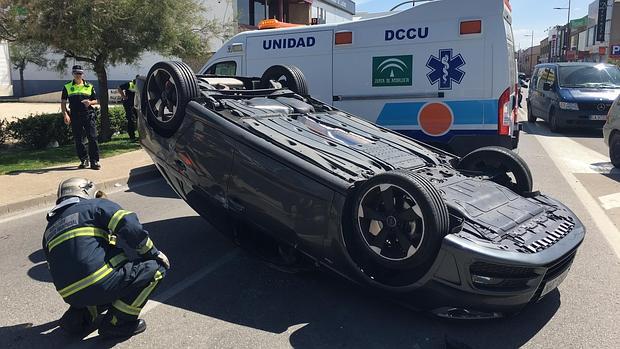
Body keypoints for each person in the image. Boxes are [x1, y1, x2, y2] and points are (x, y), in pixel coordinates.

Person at [43, 177, 170, 338]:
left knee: (94, 283)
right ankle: (116, 323)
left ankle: (77, 318)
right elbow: (129, 224)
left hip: (69, 294)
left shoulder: (49, 230)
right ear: (86, 190)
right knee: (156, 269)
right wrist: (152, 253)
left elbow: (53, 265)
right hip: (100, 283)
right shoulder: (94, 206)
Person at [61, 65, 101, 170]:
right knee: (78, 139)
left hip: (88, 115)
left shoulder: (89, 86)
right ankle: (84, 160)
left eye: (80, 73)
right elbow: (63, 102)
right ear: (73, 74)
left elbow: (96, 100)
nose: (78, 75)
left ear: (83, 74)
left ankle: (94, 161)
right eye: (76, 73)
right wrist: (65, 114)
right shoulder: (67, 87)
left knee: (92, 138)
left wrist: (90, 102)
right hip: (74, 115)